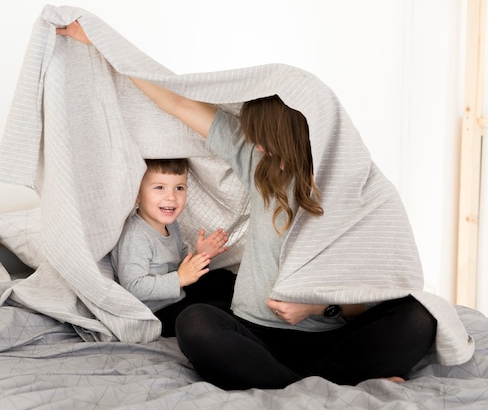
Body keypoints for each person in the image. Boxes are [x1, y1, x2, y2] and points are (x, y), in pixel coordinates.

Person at [57, 22, 438, 390]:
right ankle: (317, 383)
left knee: (420, 318)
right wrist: (102, 44)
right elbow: (177, 102)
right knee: (196, 322)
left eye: (265, 139)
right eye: (254, 138)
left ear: (296, 135)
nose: (256, 146)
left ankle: (294, 380)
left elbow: (375, 289)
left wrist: (316, 308)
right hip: (256, 331)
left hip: (329, 334)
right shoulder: (259, 165)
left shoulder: (362, 189)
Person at [110, 158, 235, 337]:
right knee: (213, 313)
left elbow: (180, 262)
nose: (171, 197)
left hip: (176, 293)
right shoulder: (136, 235)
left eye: (179, 188)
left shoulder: (171, 224)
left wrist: (200, 255)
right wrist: (179, 279)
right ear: (137, 195)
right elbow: (133, 286)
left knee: (225, 279)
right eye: (159, 187)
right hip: (156, 312)